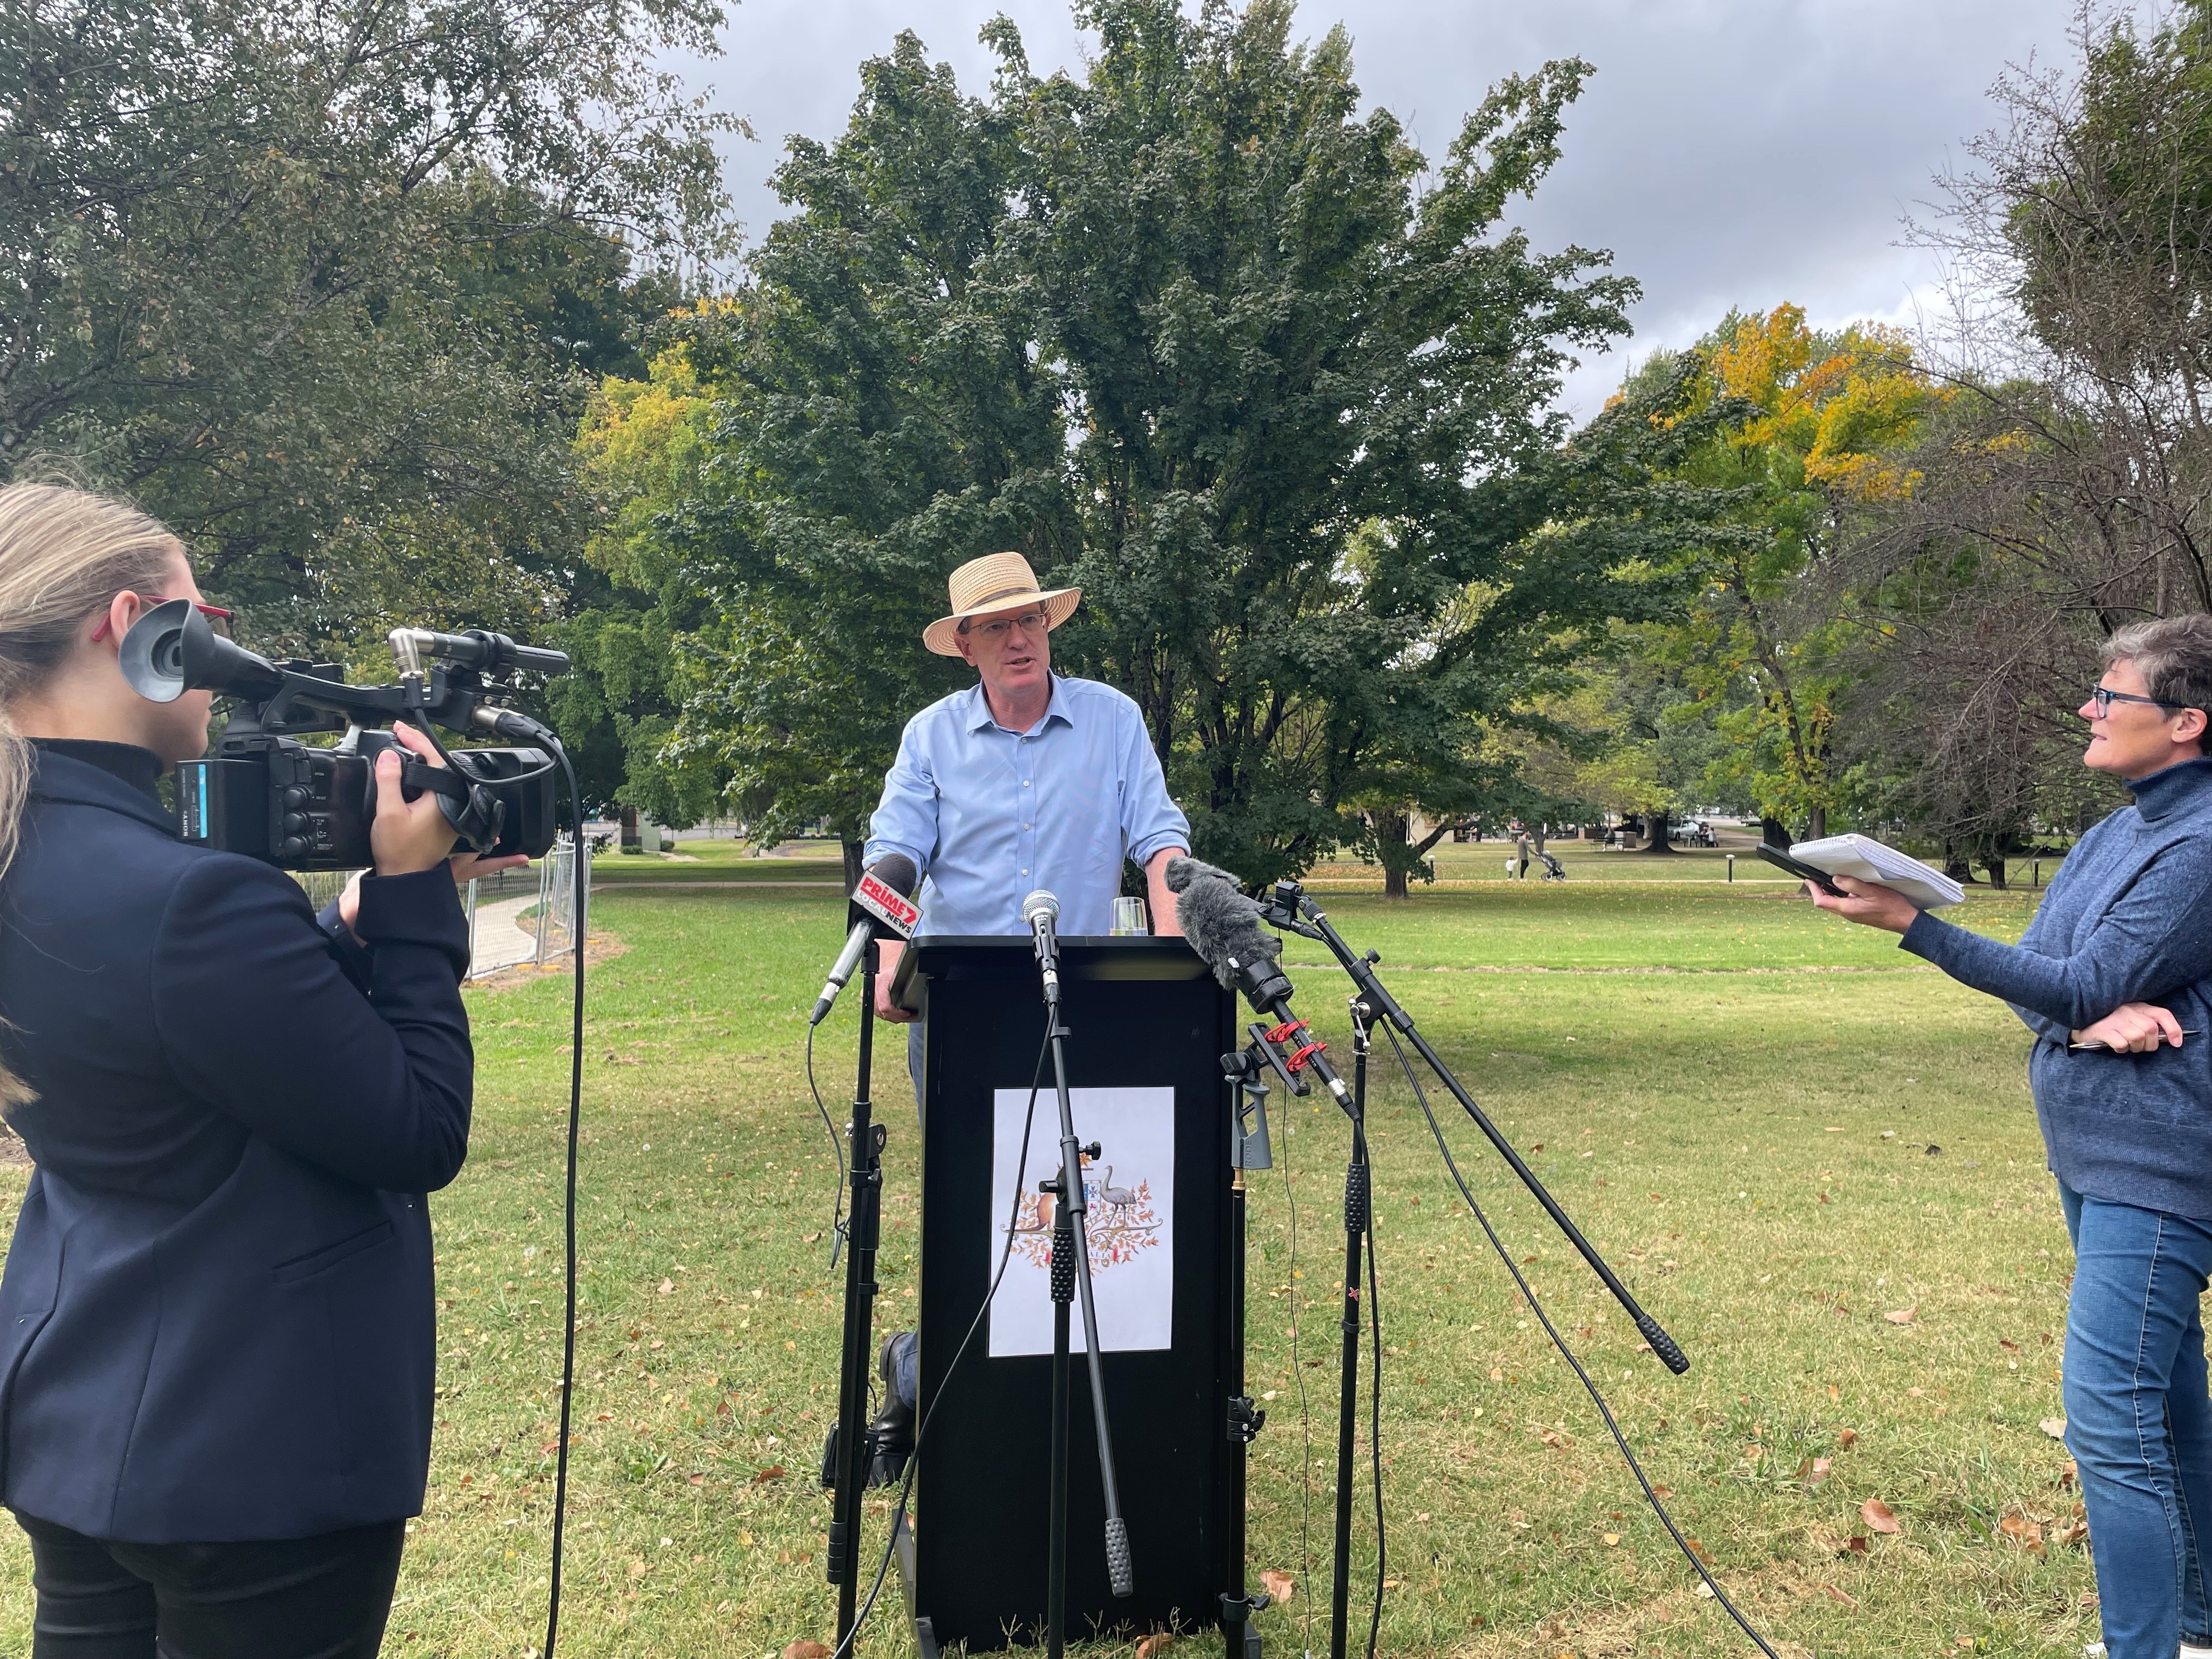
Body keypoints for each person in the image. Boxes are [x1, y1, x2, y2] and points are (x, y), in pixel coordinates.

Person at [0, 482, 520, 1659]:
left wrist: (346, 916)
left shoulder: (31, 860)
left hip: (77, 1410)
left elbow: (188, 1035)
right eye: (208, 616)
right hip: (252, 1445)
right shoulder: (192, 898)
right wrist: (415, 905)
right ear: (136, 623)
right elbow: (417, 1128)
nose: (227, 651)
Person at [1810, 615, 2212, 1659]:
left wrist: (1915, 927)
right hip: (2090, 1150)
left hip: (2162, 1163)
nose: (2088, 708)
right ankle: (2205, 1625)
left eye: (2109, 697)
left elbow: (2057, 974)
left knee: (2111, 1425)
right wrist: (2082, 1013)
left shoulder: (2202, 844)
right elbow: (2043, 972)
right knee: (2169, 1403)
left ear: (2187, 723)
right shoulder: (2117, 830)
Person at [857, 550, 1190, 1474]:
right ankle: (922, 1372)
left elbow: (1161, 841)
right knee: (980, 1217)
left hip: (1087, 1000)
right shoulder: (930, 737)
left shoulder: (1115, 721)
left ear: (1051, 629)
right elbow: (896, 854)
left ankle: (1070, 1409)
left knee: (1088, 1212)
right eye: (996, 626)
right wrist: (889, 959)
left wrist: (1175, 958)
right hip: (960, 1011)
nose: (1018, 639)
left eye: (1030, 621)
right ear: (964, 644)